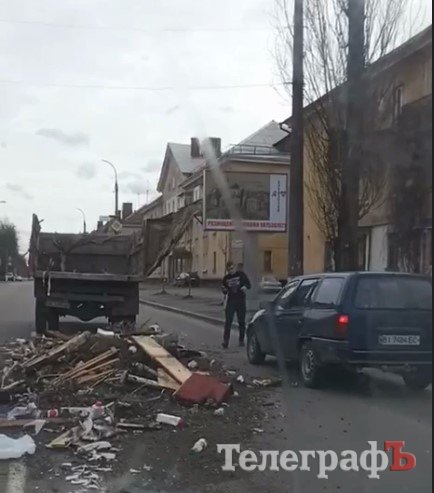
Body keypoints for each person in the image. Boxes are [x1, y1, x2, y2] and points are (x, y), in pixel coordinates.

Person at [221, 261, 251, 349]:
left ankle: (241, 340)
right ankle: (225, 341)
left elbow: (249, 285)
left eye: (232, 268)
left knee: (241, 321)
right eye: (229, 269)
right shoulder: (226, 278)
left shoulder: (241, 275)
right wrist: (224, 290)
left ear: (234, 267)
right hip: (231, 301)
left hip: (240, 300)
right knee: (228, 321)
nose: (231, 271)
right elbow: (224, 290)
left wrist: (245, 287)